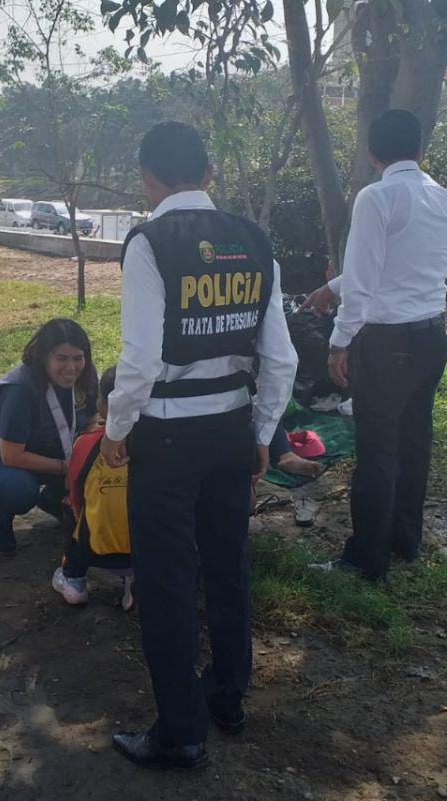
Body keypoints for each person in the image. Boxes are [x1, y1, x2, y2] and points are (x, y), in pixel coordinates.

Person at [102, 121, 297, 770]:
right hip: (231, 431)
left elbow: (141, 357)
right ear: (210, 172)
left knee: (165, 581)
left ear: (147, 179)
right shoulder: (255, 241)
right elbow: (281, 356)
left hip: (168, 437)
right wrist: (262, 432)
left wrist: (115, 431)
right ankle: (227, 694)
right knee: (227, 564)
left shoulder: (149, 241)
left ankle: (180, 731)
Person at [303, 109, 447, 581]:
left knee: (376, 452)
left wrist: (338, 343)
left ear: (372, 154)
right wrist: (334, 288)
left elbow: (368, 280)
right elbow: (394, 267)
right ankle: (404, 540)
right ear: (420, 149)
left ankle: (365, 559)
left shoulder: (377, 196)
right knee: (414, 443)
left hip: (388, 344)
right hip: (432, 335)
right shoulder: (441, 196)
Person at [0, 318, 99, 556]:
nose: (71, 368)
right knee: (18, 491)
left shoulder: (85, 376)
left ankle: (53, 500)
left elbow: (90, 419)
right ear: (43, 357)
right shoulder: (20, 390)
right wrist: (66, 468)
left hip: (51, 450)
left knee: (98, 465)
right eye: (61, 359)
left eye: (78, 358)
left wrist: (84, 459)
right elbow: (11, 455)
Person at [51, 366, 134, 610]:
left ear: (105, 406)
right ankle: (136, 580)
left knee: (71, 508)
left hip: (97, 551)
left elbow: (75, 493)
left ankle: (73, 579)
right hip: (150, 548)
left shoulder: (86, 442)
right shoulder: (160, 445)